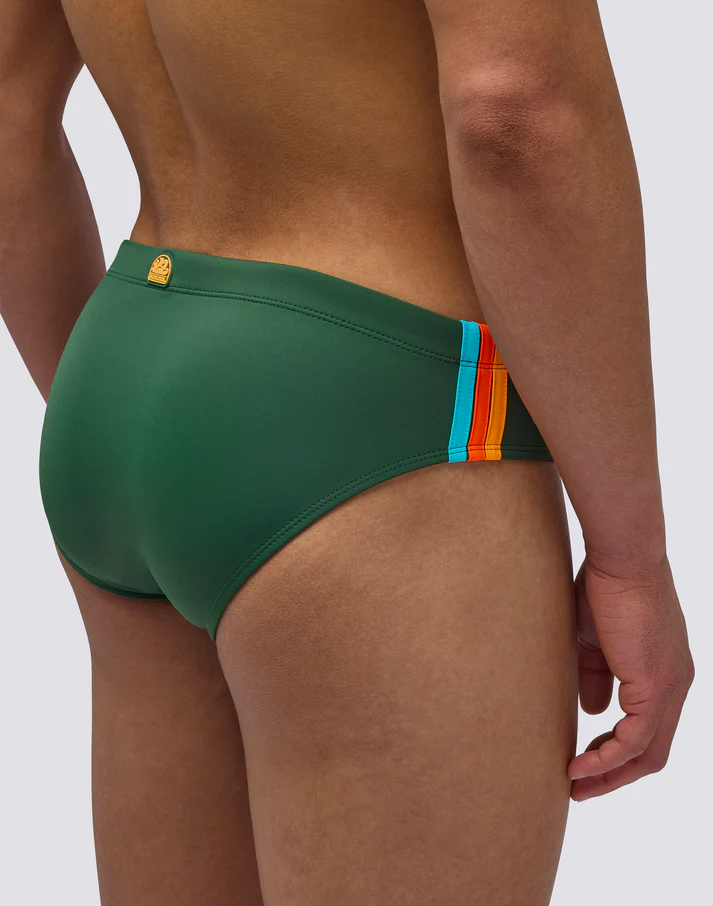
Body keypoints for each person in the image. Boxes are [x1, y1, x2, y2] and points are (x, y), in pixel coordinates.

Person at [0, 1, 695, 904]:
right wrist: (628, 557)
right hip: (377, 400)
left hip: (122, 362)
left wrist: (155, 422)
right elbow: (513, 108)